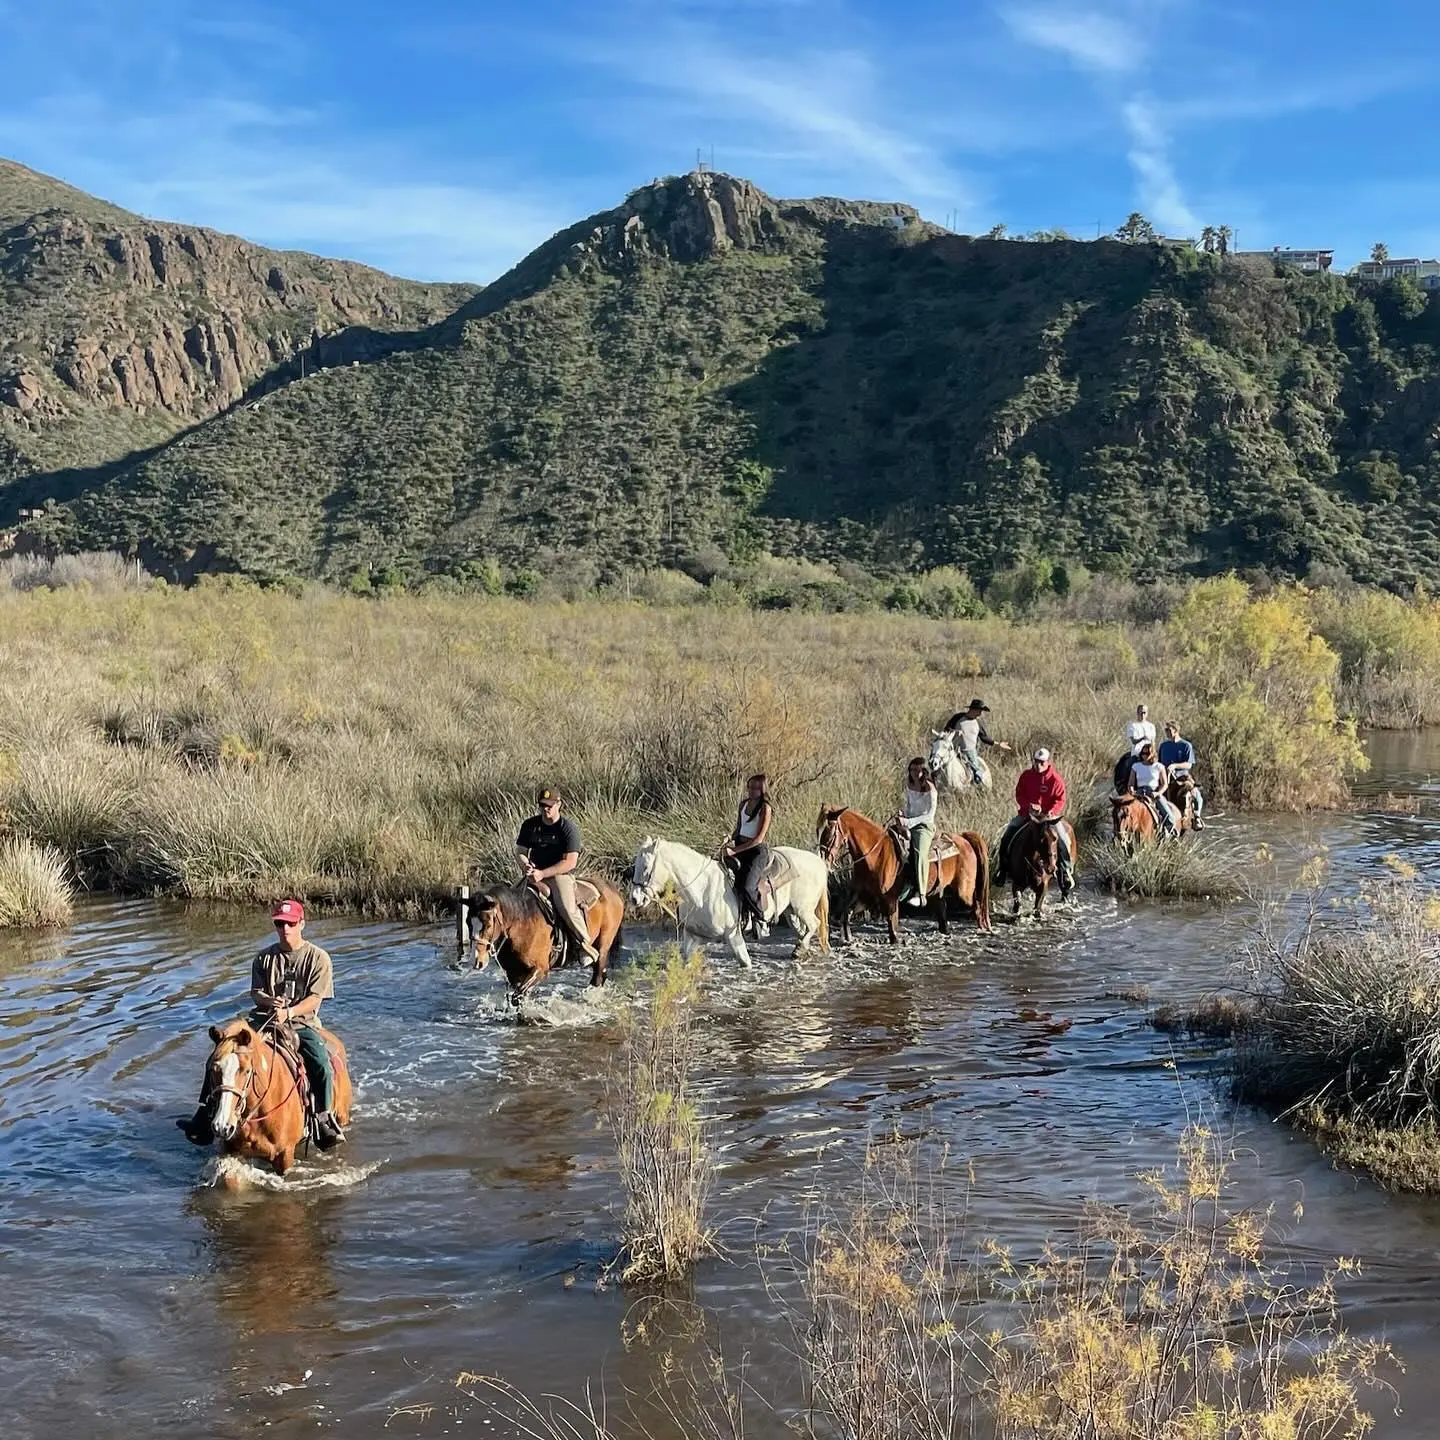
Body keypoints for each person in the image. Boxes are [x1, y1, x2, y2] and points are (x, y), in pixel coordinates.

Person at [178, 899, 344, 1149]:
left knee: (321, 1063)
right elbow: (255, 992)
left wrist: (288, 1012)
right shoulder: (264, 958)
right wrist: (267, 1000)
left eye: (290, 923)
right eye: (279, 923)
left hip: (301, 1022)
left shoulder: (318, 958)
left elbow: (315, 999)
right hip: (262, 1019)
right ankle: (205, 1114)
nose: (284, 928)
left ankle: (323, 1118)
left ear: (301, 924)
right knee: (219, 1055)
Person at [516, 787, 599, 963]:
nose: (546, 809)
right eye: (542, 806)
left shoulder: (568, 829)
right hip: (534, 873)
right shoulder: (530, 825)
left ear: (559, 805)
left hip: (559, 875)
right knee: (512, 899)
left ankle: (585, 944)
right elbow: (521, 851)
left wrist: (543, 873)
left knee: (567, 907)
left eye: (550, 806)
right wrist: (526, 866)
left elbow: (570, 862)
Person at [998, 748, 1075, 894]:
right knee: (1008, 833)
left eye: (1042, 762)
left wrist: (1051, 810)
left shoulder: (1055, 779)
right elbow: (1019, 793)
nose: (1038, 765)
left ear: (1047, 762)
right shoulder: (1026, 776)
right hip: (1028, 815)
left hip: (1049, 817)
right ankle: (1002, 870)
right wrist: (1028, 806)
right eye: (1036, 762)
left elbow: (1060, 798)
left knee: (1063, 839)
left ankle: (1065, 870)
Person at [721, 774, 774, 936]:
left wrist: (734, 851)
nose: (751, 791)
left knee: (748, 886)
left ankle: (762, 918)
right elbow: (739, 828)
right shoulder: (743, 804)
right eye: (750, 787)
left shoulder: (766, 808)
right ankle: (740, 917)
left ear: (762, 790)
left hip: (755, 851)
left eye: (756, 788)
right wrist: (729, 838)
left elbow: (758, 839)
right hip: (739, 845)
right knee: (726, 878)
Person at [894, 757, 938, 907]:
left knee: (920, 853)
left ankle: (922, 893)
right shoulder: (909, 786)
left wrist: (910, 822)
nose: (914, 773)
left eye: (917, 770)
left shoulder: (931, 789)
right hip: (908, 823)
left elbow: (929, 815)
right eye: (912, 770)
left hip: (923, 826)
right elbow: (908, 806)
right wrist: (902, 814)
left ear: (924, 771)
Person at [942, 697, 1013, 785]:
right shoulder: (958, 718)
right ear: (973, 709)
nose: (980, 713)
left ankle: (979, 788)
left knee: (976, 772)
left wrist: (998, 744)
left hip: (970, 751)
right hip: (953, 749)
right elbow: (946, 730)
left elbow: (984, 737)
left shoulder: (978, 723)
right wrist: (953, 733)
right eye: (980, 710)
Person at [1127, 741, 1181, 838]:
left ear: (1152, 754)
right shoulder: (1136, 766)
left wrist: (1158, 793)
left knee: (1168, 815)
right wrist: (1131, 790)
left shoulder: (1158, 766)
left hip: (1154, 792)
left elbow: (1164, 784)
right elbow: (1131, 783)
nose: (1145, 756)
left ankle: (1171, 832)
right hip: (1139, 792)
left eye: (1147, 753)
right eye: (1143, 753)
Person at [1158, 720, 1206, 829]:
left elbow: (1188, 765)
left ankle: (1197, 817)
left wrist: (1175, 766)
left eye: (1169, 730)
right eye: (1166, 730)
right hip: (1166, 777)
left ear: (1176, 730)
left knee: (1196, 795)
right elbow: (1159, 763)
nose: (1167, 732)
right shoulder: (1164, 746)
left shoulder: (1186, 745)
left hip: (1182, 777)